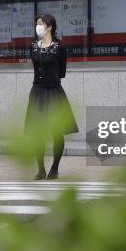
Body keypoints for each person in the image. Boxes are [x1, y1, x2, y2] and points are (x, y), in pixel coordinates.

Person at [25, 14, 78, 180]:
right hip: (37, 91)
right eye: (37, 24)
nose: (37, 27)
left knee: (57, 132)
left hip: (54, 91)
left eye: (40, 24)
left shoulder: (59, 47)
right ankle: (40, 169)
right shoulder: (33, 46)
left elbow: (62, 72)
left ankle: (54, 168)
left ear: (49, 27)